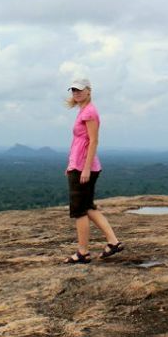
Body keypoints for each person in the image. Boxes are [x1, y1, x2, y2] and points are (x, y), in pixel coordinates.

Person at [64, 78, 123, 264]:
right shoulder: (83, 110)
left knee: (79, 211)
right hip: (78, 165)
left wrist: (85, 169)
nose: (76, 93)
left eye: (80, 90)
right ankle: (113, 242)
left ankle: (83, 253)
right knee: (88, 207)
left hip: (84, 167)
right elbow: (79, 142)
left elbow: (93, 141)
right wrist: (71, 164)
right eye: (73, 90)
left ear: (89, 91)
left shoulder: (89, 112)